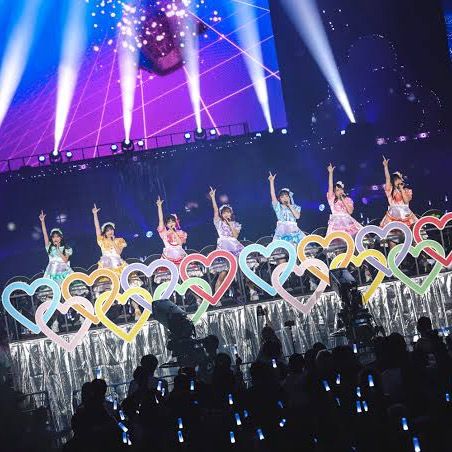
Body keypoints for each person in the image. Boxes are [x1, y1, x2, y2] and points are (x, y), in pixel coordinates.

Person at [208, 187, 244, 292]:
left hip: (235, 247)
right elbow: (215, 211)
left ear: (231, 213)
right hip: (223, 248)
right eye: (224, 213)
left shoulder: (235, 224)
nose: (226, 214)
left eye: (228, 212)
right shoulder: (218, 223)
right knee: (223, 273)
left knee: (242, 271)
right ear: (221, 214)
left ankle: (250, 291)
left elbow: (235, 236)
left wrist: (230, 224)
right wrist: (213, 198)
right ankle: (217, 296)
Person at [268, 172, 305, 246]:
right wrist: (271, 182)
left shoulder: (295, 207)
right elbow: (273, 195)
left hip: (294, 232)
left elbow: (297, 216)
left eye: (286, 196)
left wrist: (290, 206)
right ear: (280, 199)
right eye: (282, 197)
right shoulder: (278, 207)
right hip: (282, 231)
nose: (285, 198)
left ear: (289, 197)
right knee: (282, 249)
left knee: (298, 247)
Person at [380, 156, 417, 228]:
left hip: (405, 213)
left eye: (401, 178)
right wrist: (385, 167)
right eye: (399, 178)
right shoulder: (390, 190)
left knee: (411, 230)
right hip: (393, 213)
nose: (401, 180)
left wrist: (401, 189)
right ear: (395, 180)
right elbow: (387, 178)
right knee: (393, 232)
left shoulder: (406, 190)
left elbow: (406, 201)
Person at [326, 163, 362, 237]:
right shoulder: (332, 199)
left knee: (353, 239)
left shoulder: (348, 200)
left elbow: (350, 211)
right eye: (337, 190)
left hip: (348, 223)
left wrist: (343, 199)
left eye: (341, 189)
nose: (340, 191)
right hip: (336, 225)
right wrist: (331, 173)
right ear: (334, 192)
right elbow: (330, 186)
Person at [91, 204, 127, 274]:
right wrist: (95, 214)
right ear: (104, 233)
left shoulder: (119, 240)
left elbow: (119, 253)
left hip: (118, 265)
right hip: (106, 265)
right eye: (107, 230)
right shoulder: (102, 240)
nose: (110, 231)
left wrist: (113, 241)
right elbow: (97, 228)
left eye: (111, 229)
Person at [39, 210, 73, 284]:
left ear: (61, 238)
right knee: (52, 288)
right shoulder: (49, 248)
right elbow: (45, 234)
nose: (55, 238)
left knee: (66, 287)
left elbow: (65, 260)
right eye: (53, 237)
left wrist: (58, 250)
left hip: (64, 272)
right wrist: (42, 221)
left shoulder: (67, 248)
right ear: (51, 239)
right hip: (52, 272)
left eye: (57, 236)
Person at [156, 196, 187, 265]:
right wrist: (159, 207)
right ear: (166, 224)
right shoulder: (164, 233)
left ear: (176, 222)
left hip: (180, 255)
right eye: (169, 222)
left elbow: (180, 243)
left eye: (173, 221)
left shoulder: (180, 233)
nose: (171, 223)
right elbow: (161, 220)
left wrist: (173, 232)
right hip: (168, 256)